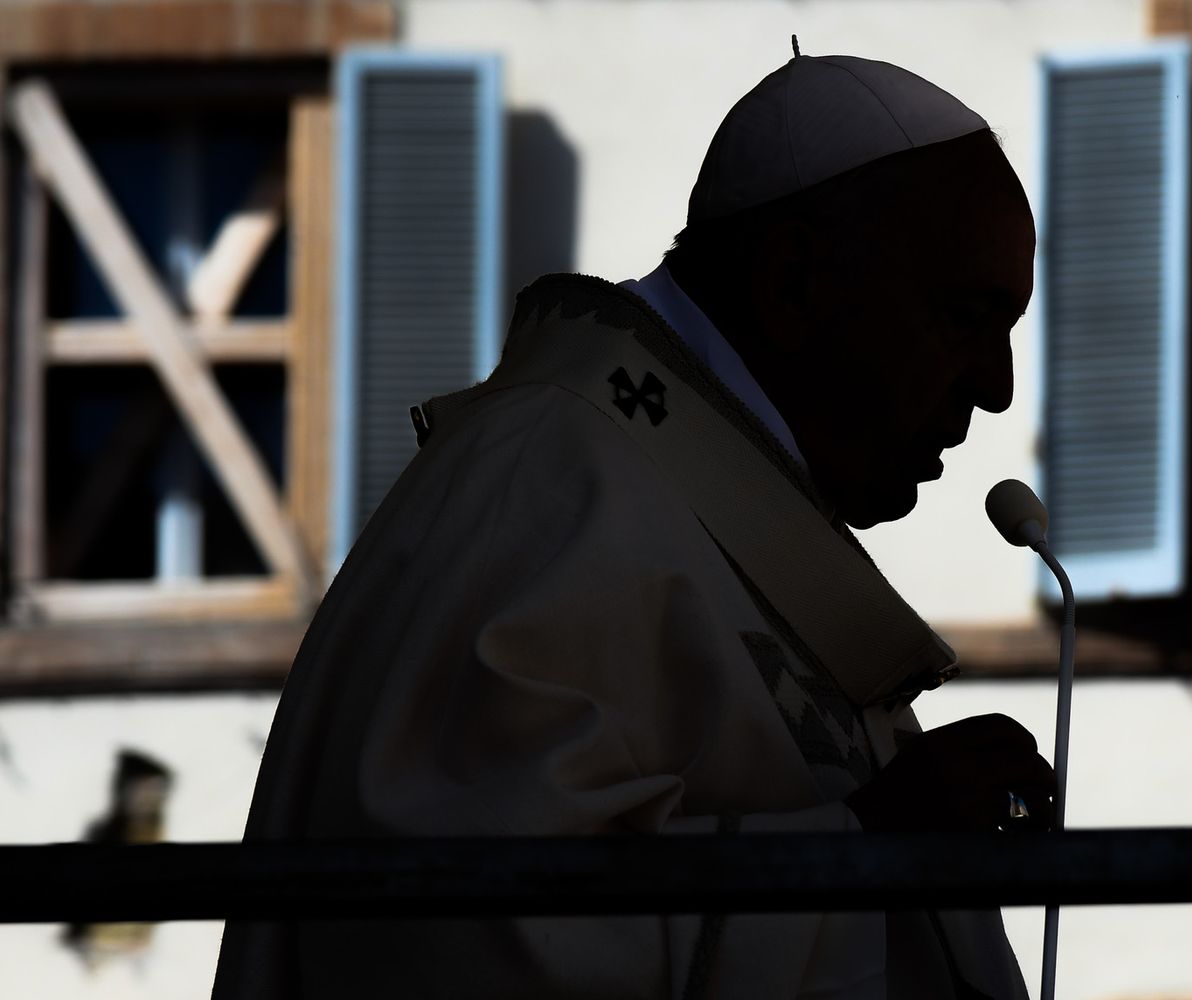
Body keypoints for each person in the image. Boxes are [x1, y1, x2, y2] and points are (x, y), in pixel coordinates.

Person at [213, 45, 1047, 1000]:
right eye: (964, 317)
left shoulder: (691, 501)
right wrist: (872, 846)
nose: (997, 387)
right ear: (796, 287)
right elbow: (469, 939)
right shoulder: (544, 483)